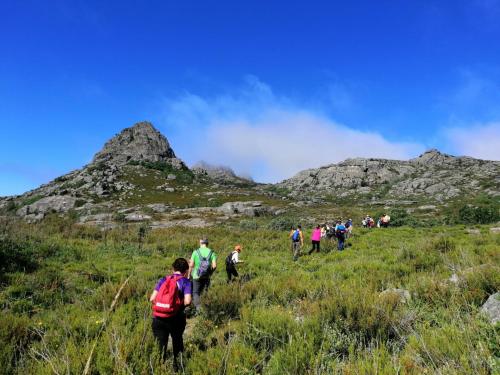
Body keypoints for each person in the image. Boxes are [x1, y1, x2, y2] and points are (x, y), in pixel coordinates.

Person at [150, 258, 192, 371]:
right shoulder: (186, 282)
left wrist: (163, 306)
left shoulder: (163, 279)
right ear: (186, 271)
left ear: (173, 268)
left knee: (160, 346)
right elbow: (188, 301)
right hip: (176, 318)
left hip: (158, 318)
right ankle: (177, 367)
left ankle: (158, 369)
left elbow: (152, 298)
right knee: (177, 341)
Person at [188, 237, 217, 312]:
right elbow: (214, 266)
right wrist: (210, 273)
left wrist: (188, 275)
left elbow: (191, 265)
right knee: (205, 292)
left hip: (196, 276)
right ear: (207, 243)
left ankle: (199, 309)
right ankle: (206, 308)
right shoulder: (212, 252)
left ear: (200, 243)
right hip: (206, 276)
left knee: (195, 293)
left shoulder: (196, 252)